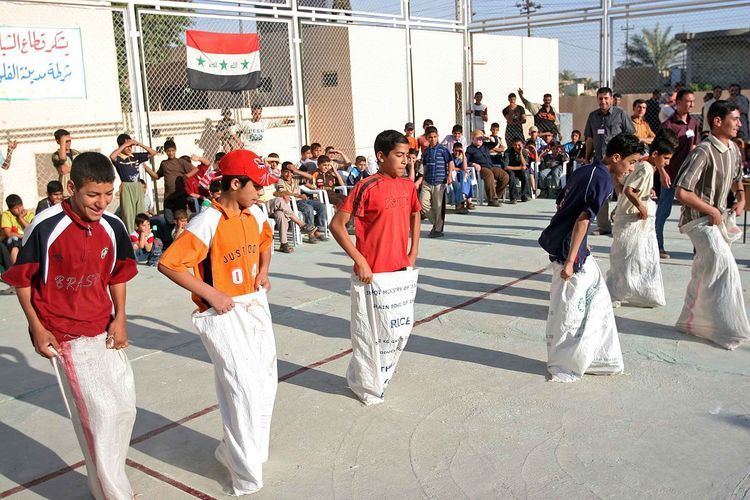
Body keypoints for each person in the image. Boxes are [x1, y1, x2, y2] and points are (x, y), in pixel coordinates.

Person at [1, 152, 138, 499]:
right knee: (99, 417)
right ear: (72, 187)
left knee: (123, 409)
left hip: (104, 329)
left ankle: (106, 482)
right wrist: (36, 327)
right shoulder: (47, 225)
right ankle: (113, 494)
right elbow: (22, 280)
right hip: (65, 336)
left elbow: (119, 274)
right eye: (93, 195)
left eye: (108, 194)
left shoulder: (113, 225)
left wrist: (119, 318)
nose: (102, 202)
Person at [158, 148, 278, 496]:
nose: (261, 192)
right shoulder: (207, 222)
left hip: (253, 305)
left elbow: (266, 241)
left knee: (265, 383)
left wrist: (264, 271)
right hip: (222, 313)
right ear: (235, 182)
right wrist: (211, 294)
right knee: (240, 388)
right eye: (256, 185)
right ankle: (246, 474)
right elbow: (170, 263)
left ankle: (241, 450)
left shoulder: (254, 214)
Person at [538, 133, 643, 382]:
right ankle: (565, 363)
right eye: (631, 162)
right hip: (568, 252)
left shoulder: (586, 170)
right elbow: (582, 219)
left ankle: (595, 357)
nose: (632, 168)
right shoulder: (603, 180)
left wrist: (581, 246)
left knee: (597, 300)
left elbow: (562, 202)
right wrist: (572, 260)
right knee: (572, 309)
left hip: (572, 247)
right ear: (616, 158)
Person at [329, 129, 420, 402]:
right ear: (381, 156)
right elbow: (337, 226)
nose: (405, 161)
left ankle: (366, 376)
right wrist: (360, 261)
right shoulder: (366, 187)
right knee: (370, 336)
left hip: (400, 274)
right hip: (372, 276)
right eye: (399, 155)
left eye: (408, 156)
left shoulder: (407, 186)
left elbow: (415, 215)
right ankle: (369, 387)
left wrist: (412, 252)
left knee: (395, 333)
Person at [673, 100, 750, 349]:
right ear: (718, 121)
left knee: (704, 269)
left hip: (716, 220)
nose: (739, 124)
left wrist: (741, 197)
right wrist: (711, 211)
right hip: (698, 222)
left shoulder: (734, 150)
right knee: (724, 267)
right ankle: (726, 330)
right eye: (735, 119)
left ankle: (689, 322)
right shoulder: (703, 151)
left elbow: (737, 178)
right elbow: (682, 192)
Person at [607, 130, 677, 307]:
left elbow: (631, 186)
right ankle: (618, 291)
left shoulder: (645, 167)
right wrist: (641, 207)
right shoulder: (645, 168)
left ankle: (637, 290)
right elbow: (629, 190)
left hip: (635, 215)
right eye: (666, 158)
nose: (667, 163)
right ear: (655, 154)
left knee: (637, 255)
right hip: (633, 216)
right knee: (628, 255)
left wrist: (647, 193)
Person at [584, 86, 635, 235]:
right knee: (601, 194)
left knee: (622, 192)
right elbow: (589, 139)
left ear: (612, 99)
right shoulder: (593, 117)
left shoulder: (620, 114)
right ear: (597, 99)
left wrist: (629, 159)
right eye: (600, 98)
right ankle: (604, 226)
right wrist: (587, 157)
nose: (603, 101)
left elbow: (631, 135)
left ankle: (621, 223)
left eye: (606, 98)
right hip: (601, 162)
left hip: (619, 163)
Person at [656, 89, 700, 259]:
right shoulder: (668, 125)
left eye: (693, 101)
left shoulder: (693, 123)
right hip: (670, 175)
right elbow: (658, 153)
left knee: (694, 212)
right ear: (678, 102)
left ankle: (698, 248)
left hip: (688, 177)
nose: (691, 104)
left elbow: (695, 146)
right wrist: (662, 173)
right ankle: (658, 245)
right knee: (664, 211)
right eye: (688, 101)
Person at [110, 133, 158, 233]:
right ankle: (131, 235)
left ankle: (143, 234)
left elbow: (153, 152)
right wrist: (125, 144)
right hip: (127, 186)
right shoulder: (119, 158)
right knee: (128, 213)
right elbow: (112, 156)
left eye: (131, 146)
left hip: (137, 186)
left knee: (140, 212)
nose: (129, 148)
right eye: (127, 146)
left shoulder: (135, 156)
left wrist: (139, 144)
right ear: (121, 146)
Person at [145, 139, 200, 222]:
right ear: (165, 152)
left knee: (181, 219)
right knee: (169, 220)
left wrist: (186, 176)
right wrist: (145, 167)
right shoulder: (164, 163)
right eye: (168, 151)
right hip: (168, 197)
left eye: (172, 150)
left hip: (180, 196)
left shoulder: (181, 162)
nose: (171, 153)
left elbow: (195, 169)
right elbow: (156, 176)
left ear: (175, 150)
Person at [276, 163, 327, 242]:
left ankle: (319, 231)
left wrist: (296, 170)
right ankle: (311, 233)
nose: (289, 174)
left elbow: (311, 178)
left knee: (322, 206)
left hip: (303, 200)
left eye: (291, 172)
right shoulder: (280, 181)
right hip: (293, 202)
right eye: (286, 172)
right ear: (282, 172)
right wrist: (298, 195)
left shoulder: (295, 178)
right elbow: (283, 192)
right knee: (308, 208)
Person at [420, 126, 454, 237]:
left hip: (440, 181)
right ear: (426, 138)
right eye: (430, 137)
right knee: (423, 203)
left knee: (438, 206)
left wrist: (449, 175)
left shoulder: (443, 150)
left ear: (438, 136)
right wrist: (422, 179)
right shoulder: (426, 151)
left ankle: (437, 229)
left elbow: (450, 162)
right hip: (428, 181)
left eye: (435, 137)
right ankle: (437, 223)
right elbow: (424, 166)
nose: (433, 139)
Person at [465, 129, 509, 206]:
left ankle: (495, 196)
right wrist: (473, 164)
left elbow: (495, 142)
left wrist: (488, 137)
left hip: (490, 166)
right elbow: (466, 161)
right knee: (489, 175)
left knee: (505, 176)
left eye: (481, 138)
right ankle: (492, 200)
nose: (480, 140)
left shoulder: (485, 145)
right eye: (478, 138)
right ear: (473, 139)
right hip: (481, 168)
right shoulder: (470, 149)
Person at [2, 194, 34, 265]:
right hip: (12, 241)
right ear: (10, 209)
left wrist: (21, 218)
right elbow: (9, 234)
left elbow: (32, 229)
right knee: (14, 240)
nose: (20, 209)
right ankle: (15, 268)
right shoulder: (7, 215)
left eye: (21, 206)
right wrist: (23, 236)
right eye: (16, 208)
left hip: (27, 238)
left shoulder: (29, 214)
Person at [503, 138, 531, 203]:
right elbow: (505, 167)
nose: (517, 147)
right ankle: (513, 197)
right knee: (511, 176)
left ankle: (525, 195)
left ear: (522, 145)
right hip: (510, 170)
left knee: (525, 174)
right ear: (512, 145)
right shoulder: (508, 152)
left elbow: (524, 165)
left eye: (519, 145)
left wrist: (520, 153)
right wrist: (520, 168)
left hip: (519, 170)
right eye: (515, 145)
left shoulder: (523, 151)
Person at [450, 142, 471, 214]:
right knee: (462, 173)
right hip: (453, 175)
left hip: (461, 176)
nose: (457, 152)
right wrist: (461, 170)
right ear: (453, 150)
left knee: (465, 173)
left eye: (459, 151)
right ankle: (466, 199)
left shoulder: (462, 157)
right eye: (455, 150)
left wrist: (463, 154)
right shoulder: (451, 157)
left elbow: (464, 168)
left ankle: (463, 194)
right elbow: (452, 168)